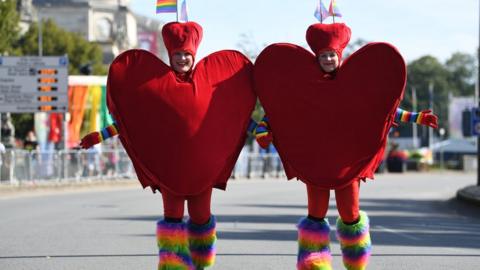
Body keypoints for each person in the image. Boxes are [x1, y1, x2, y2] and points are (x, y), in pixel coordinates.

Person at [254, 23, 438, 270]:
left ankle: (356, 263)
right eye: (323, 55)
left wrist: (416, 117)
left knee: (350, 214)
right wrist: (263, 129)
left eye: (331, 54)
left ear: (338, 55)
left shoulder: (355, 85)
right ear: (316, 57)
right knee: (315, 214)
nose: (328, 59)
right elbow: (282, 109)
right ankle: (314, 265)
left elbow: (383, 110)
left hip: (347, 163)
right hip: (315, 162)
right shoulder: (304, 84)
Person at [80, 21, 256, 269]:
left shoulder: (210, 85)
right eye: (178, 54)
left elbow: (233, 115)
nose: (182, 58)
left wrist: (259, 130)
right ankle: (173, 265)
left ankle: (201, 264)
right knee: (172, 219)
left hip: (201, 170)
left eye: (186, 54)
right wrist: (101, 135)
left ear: (193, 55)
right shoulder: (156, 85)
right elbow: (134, 120)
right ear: (170, 55)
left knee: (201, 218)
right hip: (170, 170)